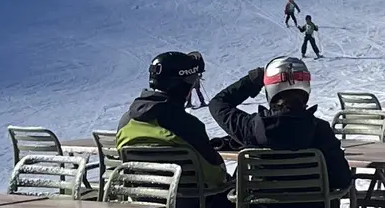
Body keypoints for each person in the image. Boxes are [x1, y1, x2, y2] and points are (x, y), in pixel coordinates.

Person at [207, 56, 352, 191]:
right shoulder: (321, 130)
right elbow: (342, 180)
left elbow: (218, 104)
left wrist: (251, 81)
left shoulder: (252, 128)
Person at [116, 51, 232, 206]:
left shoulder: (127, 122)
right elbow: (215, 175)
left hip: (143, 202)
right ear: (183, 86)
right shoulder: (187, 125)